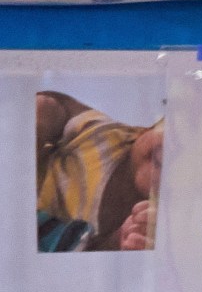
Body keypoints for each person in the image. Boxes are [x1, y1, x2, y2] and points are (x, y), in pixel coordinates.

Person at [34, 90, 161, 252]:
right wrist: (47, 114)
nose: (169, 150)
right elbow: (59, 105)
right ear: (144, 130)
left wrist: (120, 240)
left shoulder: (145, 222)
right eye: (172, 134)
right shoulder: (105, 134)